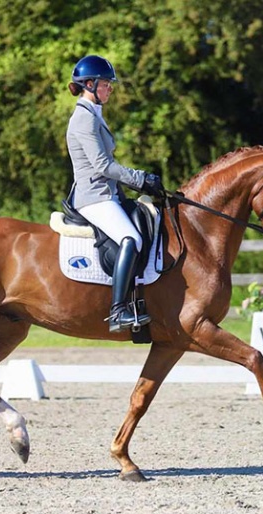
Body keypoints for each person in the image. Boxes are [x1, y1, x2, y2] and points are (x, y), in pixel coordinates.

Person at [65, 55, 165, 333]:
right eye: (106, 84)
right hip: (94, 196)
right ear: (90, 84)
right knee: (130, 237)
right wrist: (141, 179)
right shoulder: (84, 119)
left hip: (109, 193)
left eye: (110, 84)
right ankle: (118, 310)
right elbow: (102, 165)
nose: (110, 88)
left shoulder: (94, 114)